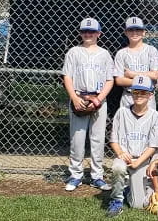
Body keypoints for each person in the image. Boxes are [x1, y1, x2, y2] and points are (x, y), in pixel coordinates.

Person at [62, 17, 114, 192]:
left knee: (98, 139)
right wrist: (74, 98)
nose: (88, 34)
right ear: (80, 33)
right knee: (77, 139)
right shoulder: (73, 52)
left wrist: (99, 98)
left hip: (99, 98)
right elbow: (67, 76)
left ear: (99, 34)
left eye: (92, 32)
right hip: (79, 96)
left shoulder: (104, 53)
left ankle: (96, 176)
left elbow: (109, 80)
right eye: (85, 31)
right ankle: (75, 174)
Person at [106, 75, 158, 217]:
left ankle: (127, 190)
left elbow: (154, 145)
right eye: (136, 92)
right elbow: (113, 140)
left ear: (150, 95)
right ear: (131, 93)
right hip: (125, 157)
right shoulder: (122, 112)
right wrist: (120, 152)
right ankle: (116, 201)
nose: (139, 95)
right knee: (118, 167)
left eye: (143, 92)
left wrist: (138, 161)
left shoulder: (155, 115)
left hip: (142, 160)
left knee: (137, 205)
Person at [114, 16, 158, 110]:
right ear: (126, 33)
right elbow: (119, 80)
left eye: (138, 30)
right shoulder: (121, 53)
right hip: (129, 97)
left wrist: (132, 74)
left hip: (148, 96)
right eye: (131, 30)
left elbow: (155, 75)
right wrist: (145, 80)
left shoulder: (151, 50)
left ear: (143, 33)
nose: (134, 33)